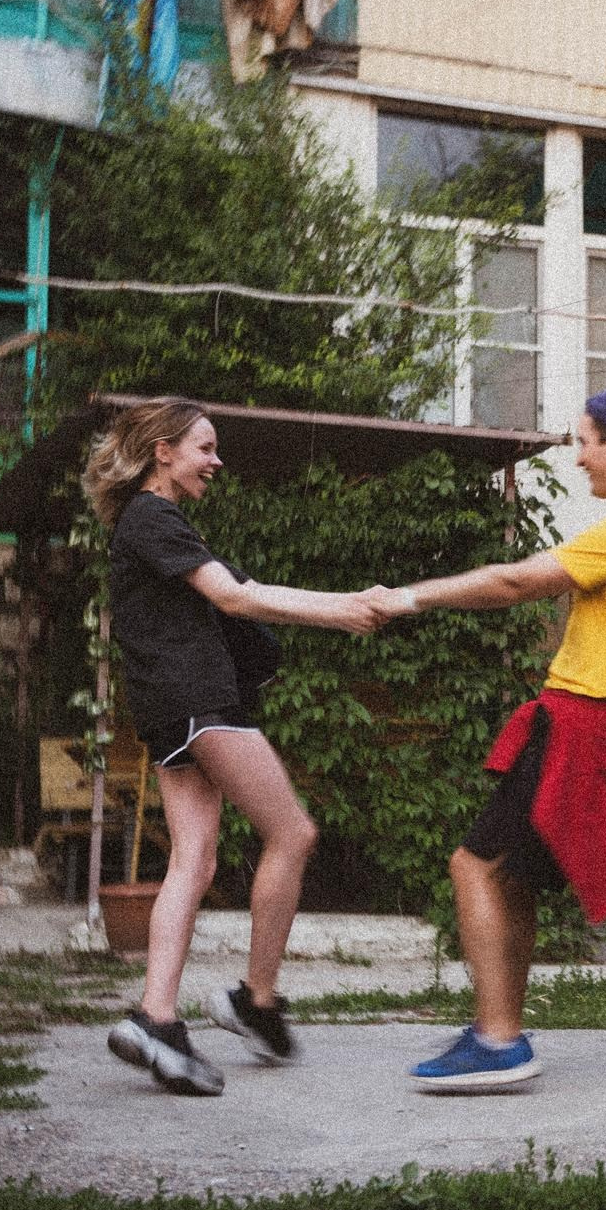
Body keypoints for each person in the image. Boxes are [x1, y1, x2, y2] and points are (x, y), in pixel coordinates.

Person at [368, 385, 606, 1090]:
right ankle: (502, 1028)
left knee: (475, 866)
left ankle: (498, 1041)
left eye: (584, 442)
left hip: (583, 724)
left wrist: (409, 596)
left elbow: (516, 582)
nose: (578, 458)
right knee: (511, 875)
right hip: (592, 722)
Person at [83, 396, 383, 1097]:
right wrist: (339, 607)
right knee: (293, 832)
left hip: (171, 709)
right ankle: (257, 999)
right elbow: (236, 596)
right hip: (198, 703)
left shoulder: (147, 522)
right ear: (163, 452)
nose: (216, 461)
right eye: (205, 448)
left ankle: (156, 1018)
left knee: (194, 858)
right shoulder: (153, 516)